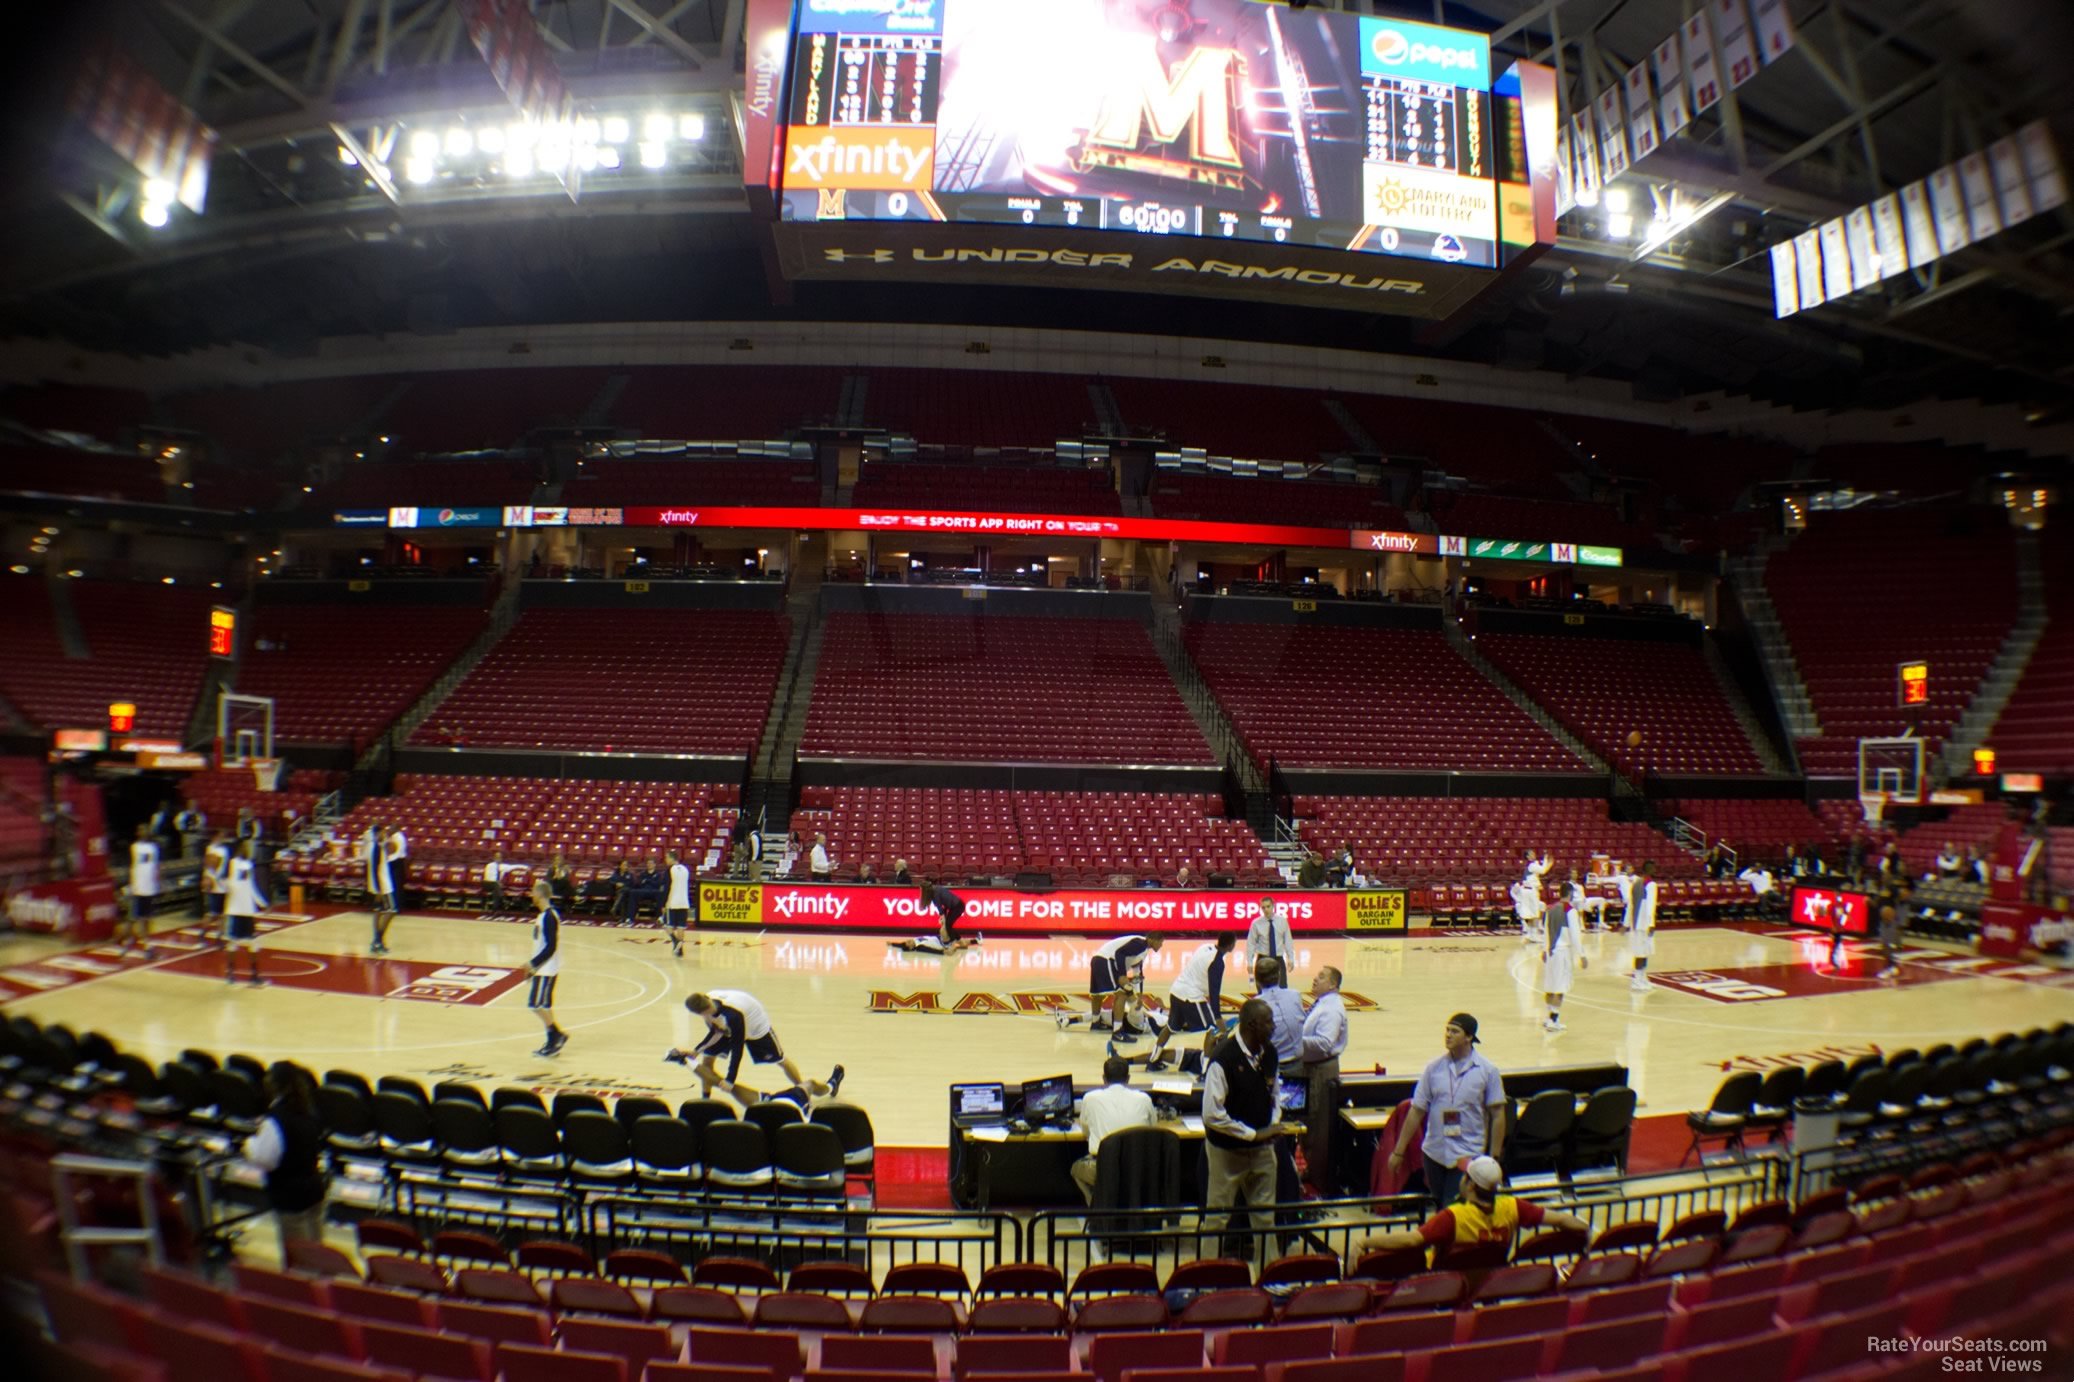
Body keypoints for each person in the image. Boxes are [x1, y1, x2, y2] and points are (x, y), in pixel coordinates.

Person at [1355, 1155, 1589, 1263]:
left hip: (1446, 1286)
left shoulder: (1453, 1217)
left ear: (1470, 1184)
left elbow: (1411, 1240)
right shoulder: (1513, 1207)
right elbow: (1560, 1219)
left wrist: (1365, 1242)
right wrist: (1586, 1232)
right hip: (1489, 1281)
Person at [1201, 998, 1298, 1257]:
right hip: (1227, 1152)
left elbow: (1274, 1095)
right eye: (1269, 1022)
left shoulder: (1270, 1053)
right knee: (1217, 1220)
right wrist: (1253, 1134)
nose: (1274, 1027)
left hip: (1263, 1151)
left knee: (1266, 1219)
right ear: (1253, 1025)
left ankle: (1270, 1280)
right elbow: (1211, 1115)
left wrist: (1273, 1124)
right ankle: (1205, 1283)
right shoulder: (1223, 1058)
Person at [1385, 1014, 1507, 1210]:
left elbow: (1498, 1114)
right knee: (1440, 1206)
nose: (1448, 1035)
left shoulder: (1487, 1071)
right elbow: (1417, 1110)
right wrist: (1398, 1151)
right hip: (1434, 1153)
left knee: (1453, 1208)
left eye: (1455, 1031)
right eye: (1447, 1030)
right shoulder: (1433, 1068)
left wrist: (1493, 1157)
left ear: (1469, 1037)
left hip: (1468, 1153)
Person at [671, 990, 843, 1108]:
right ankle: (705, 1101)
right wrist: (696, 1051)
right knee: (707, 1059)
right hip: (730, 1023)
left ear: (705, 1009)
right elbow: (716, 1031)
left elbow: (737, 1049)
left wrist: (730, 1079)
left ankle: (802, 1092)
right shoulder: (704, 1003)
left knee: (780, 1060)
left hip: (756, 1028)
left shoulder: (733, 1015)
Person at [242, 1063, 328, 1258]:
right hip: (314, 1188)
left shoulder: (276, 1120)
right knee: (318, 1251)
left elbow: (265, 1160)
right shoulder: (309, 1111)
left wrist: (249, 1145)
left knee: (299, 1259)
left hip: (291, 1197)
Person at [1129, 933, 1235, 1072]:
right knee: (1211, 1030)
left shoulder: (1205, 947)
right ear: (1231, 946)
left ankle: (1153, 1061)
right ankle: (1205, 1071)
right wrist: (1218, 1018)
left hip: (1176, 990)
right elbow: (1214, 995)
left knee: (1170, 1028)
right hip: (1191, 996)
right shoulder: (1218, 963)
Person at [1070, 1056, 1157, 1204]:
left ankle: (1096, 1205)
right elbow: (1152, 1128)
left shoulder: (1090, 1098)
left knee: (1076, 1169)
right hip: (1138, 1168)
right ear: (1128, 1078)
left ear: (1104, 1078)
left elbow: (1085, 1131)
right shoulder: (1144, 1099)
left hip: (1104, 1167)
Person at [1298, 965, 1348, 1192]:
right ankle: (1313, 1170)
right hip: (1312, 1067)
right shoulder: (1323, 1004)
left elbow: (1325, 1043)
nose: (1315, 979)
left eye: (1321, 976)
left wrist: (1294, 1043)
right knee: (1309, 1122)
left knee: (1317, 1126)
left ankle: (1320, 1181)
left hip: (1320, 1069)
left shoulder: (1332, 1010)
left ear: (1334, 985)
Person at [1081, 932, 1164, 1033]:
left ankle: (1095, 1023)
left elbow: (1137, 975)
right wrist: (1122, 975)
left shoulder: (1143, 950)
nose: (1161, 945)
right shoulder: (1141, 943)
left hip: (1098, 960)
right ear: (1153, 940)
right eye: (1161, 942)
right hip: (1107, 960)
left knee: (1098, 995)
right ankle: (1117, 1031)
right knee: (1122, 994)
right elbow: (1119, 953)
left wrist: (1139, 996)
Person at [526, 881, 568, 1057]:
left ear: (541, 894)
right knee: (544, 1005)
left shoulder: (549, 917)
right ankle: (553, 1039)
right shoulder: (544, 915)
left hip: (546, 968)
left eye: (534, 892)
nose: (531, 895)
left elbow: (551, 947)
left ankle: (556, 1034)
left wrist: (533, 964)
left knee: (535, 1004)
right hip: (544, 968)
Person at [224, 838, 268, 985]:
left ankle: (254, 974)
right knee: (233, 942)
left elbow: (251, 887)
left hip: (247, 910)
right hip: (235, 909)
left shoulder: (249, 865)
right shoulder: (233, 863)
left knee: (253, 942)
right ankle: (230, 973)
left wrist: (262, 903)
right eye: (247, 847)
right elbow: (231, 883)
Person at [895, 878, 980, 953]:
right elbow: (943, 908)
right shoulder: (935, 890)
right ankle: (969, 941)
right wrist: (943, 920)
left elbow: (941, 910)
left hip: (958, 906)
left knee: (947, 926)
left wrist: (943, 920)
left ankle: (960, 943)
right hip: (953, 906)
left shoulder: (935, 896)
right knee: (947, 926)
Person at [1540, 894, 1586, 1032]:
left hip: (1550, 951)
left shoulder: (1550, 909)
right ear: (1571, 894)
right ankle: (1554, 1020)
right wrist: (1582, 955)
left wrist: (1544, 949)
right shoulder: (1570, 911)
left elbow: (1545, 932)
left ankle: (1549, 1018)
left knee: (1550, 985)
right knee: (1560, 987)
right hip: (1562, 952)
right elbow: (1575, 935)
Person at [120, 824, 160, 956]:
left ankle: (147, 944)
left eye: (146, 829)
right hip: (137, 888)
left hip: (149, 888)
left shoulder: (154, 848)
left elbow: (156, 867)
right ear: (138, 832)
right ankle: (126, 942)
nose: (145, 832)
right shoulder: (134, 847)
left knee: (147, 918)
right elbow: (129, 867)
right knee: (132, 919)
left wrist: (157, 883)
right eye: (142, 830)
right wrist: (129, 885)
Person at [363, 818, 395, 955]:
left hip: (376, 885)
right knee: (391, 911)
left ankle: (377, 941)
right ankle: (378, 940)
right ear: (377, 834)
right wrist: (380, 890)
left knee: (378, 912)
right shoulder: (376, 848)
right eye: (383, 833)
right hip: (383, 886)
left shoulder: (372, 846)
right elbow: (376, 869)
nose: (385, 835)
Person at [1625, 860, 1658, 991]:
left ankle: (1642, 977)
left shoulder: (1636, 883)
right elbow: (1651, 905)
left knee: (1643, 952)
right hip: (1644, 922)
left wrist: (1626, 922)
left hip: (1636, 921)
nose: (1655, 870)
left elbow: (1630, 904)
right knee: (1641, 953)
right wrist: (1651, 923)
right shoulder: (1651, 884)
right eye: (1653, 868)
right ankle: (1636, 980)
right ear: (1648, 869)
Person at [201, 829, 232, 939]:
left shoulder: (224, 850)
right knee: (212, 912)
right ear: (215, 837)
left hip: (221, 883)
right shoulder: (210, 849)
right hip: (214, 883)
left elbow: (224, 867)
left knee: (222, 913)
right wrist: (208, 880)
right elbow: (209, 867)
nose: (222, 839)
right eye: (220, 836)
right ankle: (203, 932)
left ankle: (220, 934)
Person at [1246, 896, 1294, 967]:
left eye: (1268, 906)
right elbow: (1251, 943)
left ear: (1273, 906)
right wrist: (1249, 962)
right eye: (1263, 907)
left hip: (1278, 958)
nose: (1266, 909)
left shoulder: (1282, 921)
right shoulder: (1256, 923)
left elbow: (1288, 941)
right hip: (1262, 959)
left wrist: (1291, 958)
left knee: (1281, 978)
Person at [662, 847, 690, 957]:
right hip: (684, 902)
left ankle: (675, 941)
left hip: (672, 902)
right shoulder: (685, 869)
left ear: (672, 858)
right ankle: (680, 950)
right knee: (681, 926)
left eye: (667, 858)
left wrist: (664, 903)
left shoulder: (669, 871)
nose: (665, 860)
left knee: (666, 924)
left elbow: (666, 888)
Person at [620, 855, 663, 923]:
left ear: (655, 865)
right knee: (633, 892)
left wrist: (647, 881)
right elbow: (639, 883)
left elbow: (658, 884)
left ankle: (660, 917)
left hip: (654, 891)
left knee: (660, 894)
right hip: (643, 891)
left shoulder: (658, 874)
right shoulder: (643, 874)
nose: (649, 865)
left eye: (651, 863)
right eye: (648, 863)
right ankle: (630, 918)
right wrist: (650, 881)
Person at [483, 849, 515, 915]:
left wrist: (525, 867)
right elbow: (490, 877)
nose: (499, 859)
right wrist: (498, 883)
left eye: (500, 857)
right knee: (496, 886)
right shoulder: (490, 865)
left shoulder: (503, 866)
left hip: (496, 886)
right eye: (497, 857)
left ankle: (495, 909)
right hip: (487, 883)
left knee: (496, 892)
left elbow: (513, 867)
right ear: (494, 858)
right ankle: (504, 902)